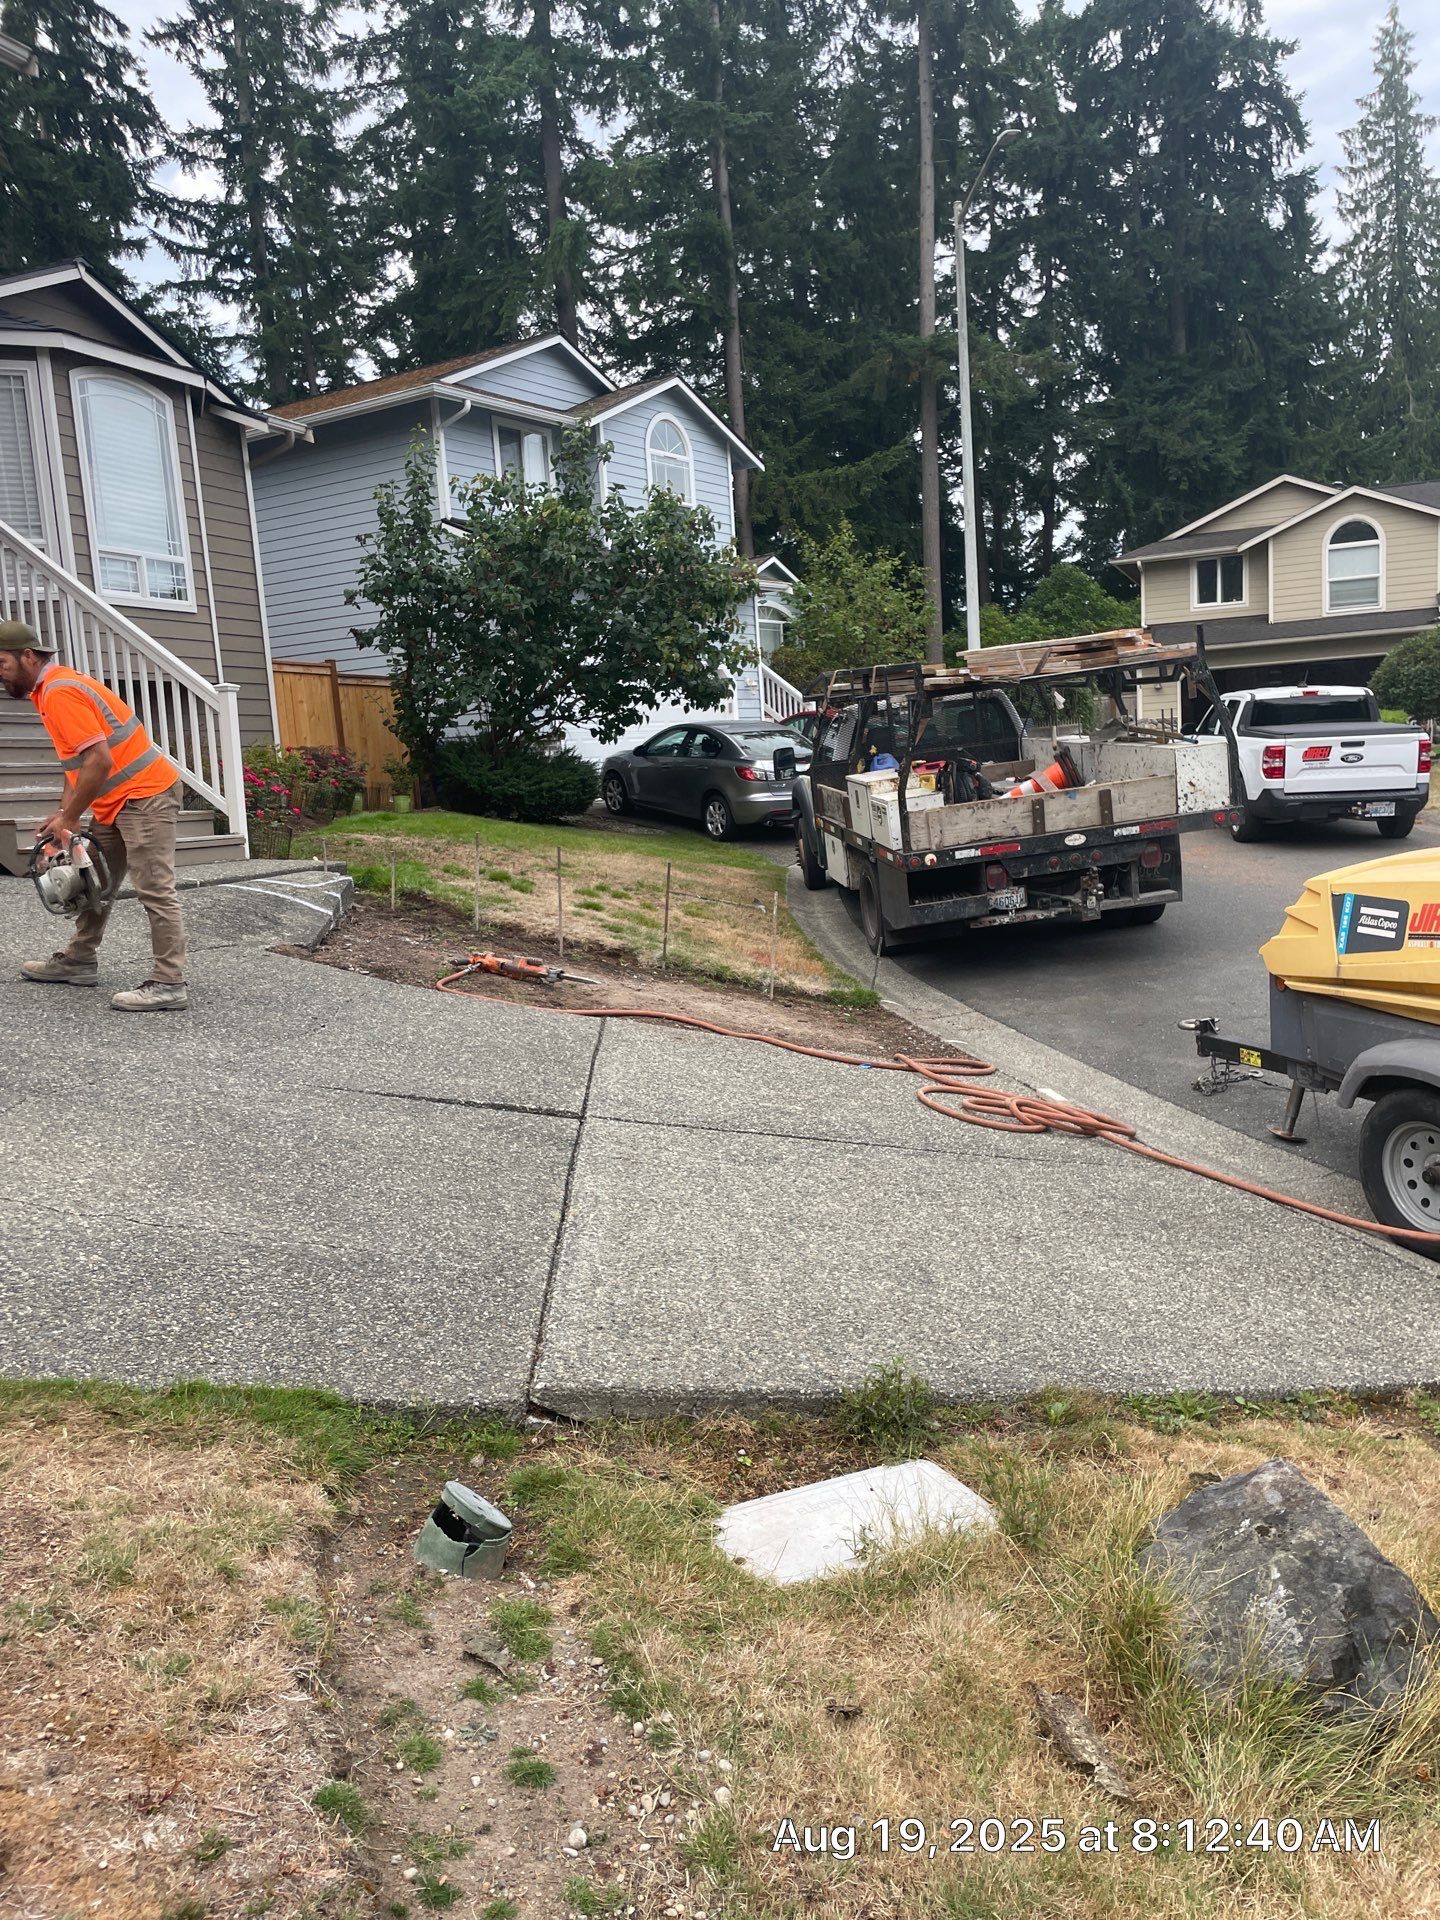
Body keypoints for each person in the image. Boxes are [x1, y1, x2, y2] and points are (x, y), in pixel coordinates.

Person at [0, 619, 189, 1010]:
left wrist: (70, 820)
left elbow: (99, 760)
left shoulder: (59, 692)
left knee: (154, 888)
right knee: (93, 881)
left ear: (28, 656)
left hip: (146, 795)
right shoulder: (50, 690)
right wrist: (62, 814)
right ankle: (80, 961)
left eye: (1, 663)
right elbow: (79, 763)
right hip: (117, 800)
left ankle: (169, 983)